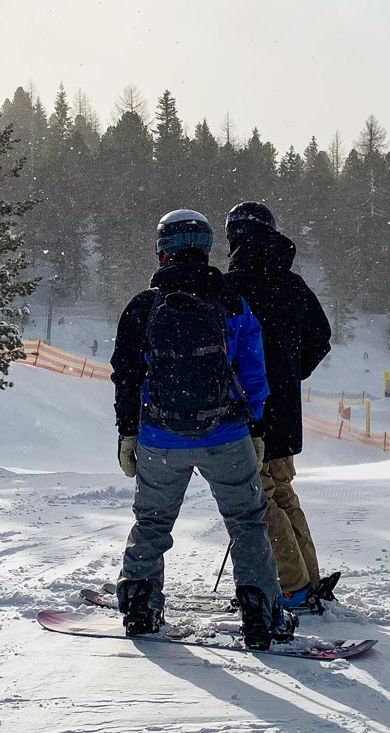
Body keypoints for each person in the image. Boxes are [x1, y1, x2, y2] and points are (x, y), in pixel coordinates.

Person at [110, 209, 294, 649]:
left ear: (162, 251)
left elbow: (126, 373)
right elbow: (254, 370)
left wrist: (128, 432)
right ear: (206, 247)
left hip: (159, 436)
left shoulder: (144, 304)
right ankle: (259, 610)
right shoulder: (231, 300)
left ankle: (140, 603)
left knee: (152, 522)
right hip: (226, 433)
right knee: (247, 522)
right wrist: (254, 424)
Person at [223, 201, 334, 611]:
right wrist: (290, 372)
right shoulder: (293, 284)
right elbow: (321, 338)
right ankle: (309, 577)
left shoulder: (230, 286)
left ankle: (292, 585)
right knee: (282, 491)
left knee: (260, 496)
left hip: (247, 410)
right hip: (284, 410)